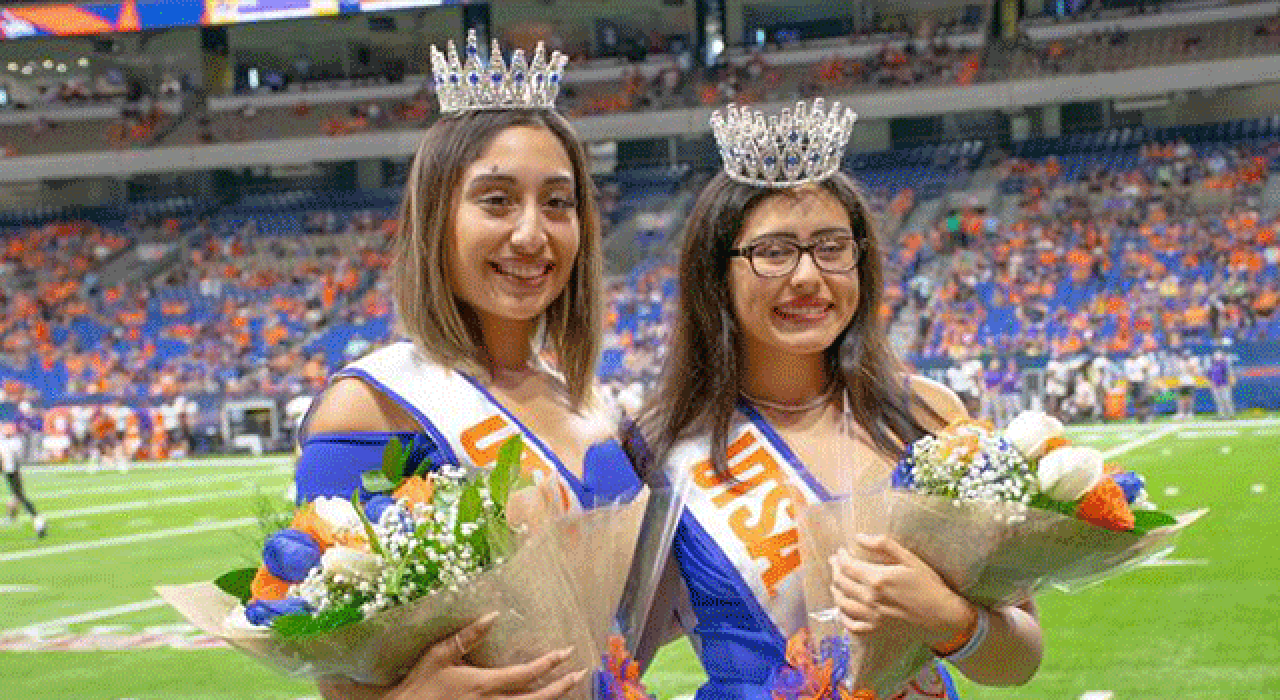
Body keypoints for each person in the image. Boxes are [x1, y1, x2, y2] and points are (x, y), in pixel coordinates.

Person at [628, 101, 1042, 699]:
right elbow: (614, 659)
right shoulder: (661, 449)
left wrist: (949, 619)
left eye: (831, 247)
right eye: (773, 252)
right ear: (716, 273)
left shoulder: (928, 415)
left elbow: (1020, 658)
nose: (807, 277)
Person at [294, 31, 637, 700]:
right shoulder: (374, 405)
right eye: (497, 200)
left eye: (558, 203)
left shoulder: (593, 407)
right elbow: (341, 673)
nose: (532, 234)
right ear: (435, 219)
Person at [3, 405, 46, 539]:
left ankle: (38, 520)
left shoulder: (14, 441)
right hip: (8, 471)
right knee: (16, 497)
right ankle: (12, 517)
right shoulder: (8, 440)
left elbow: (10, 457)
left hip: (12, 471)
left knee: (20, 497)